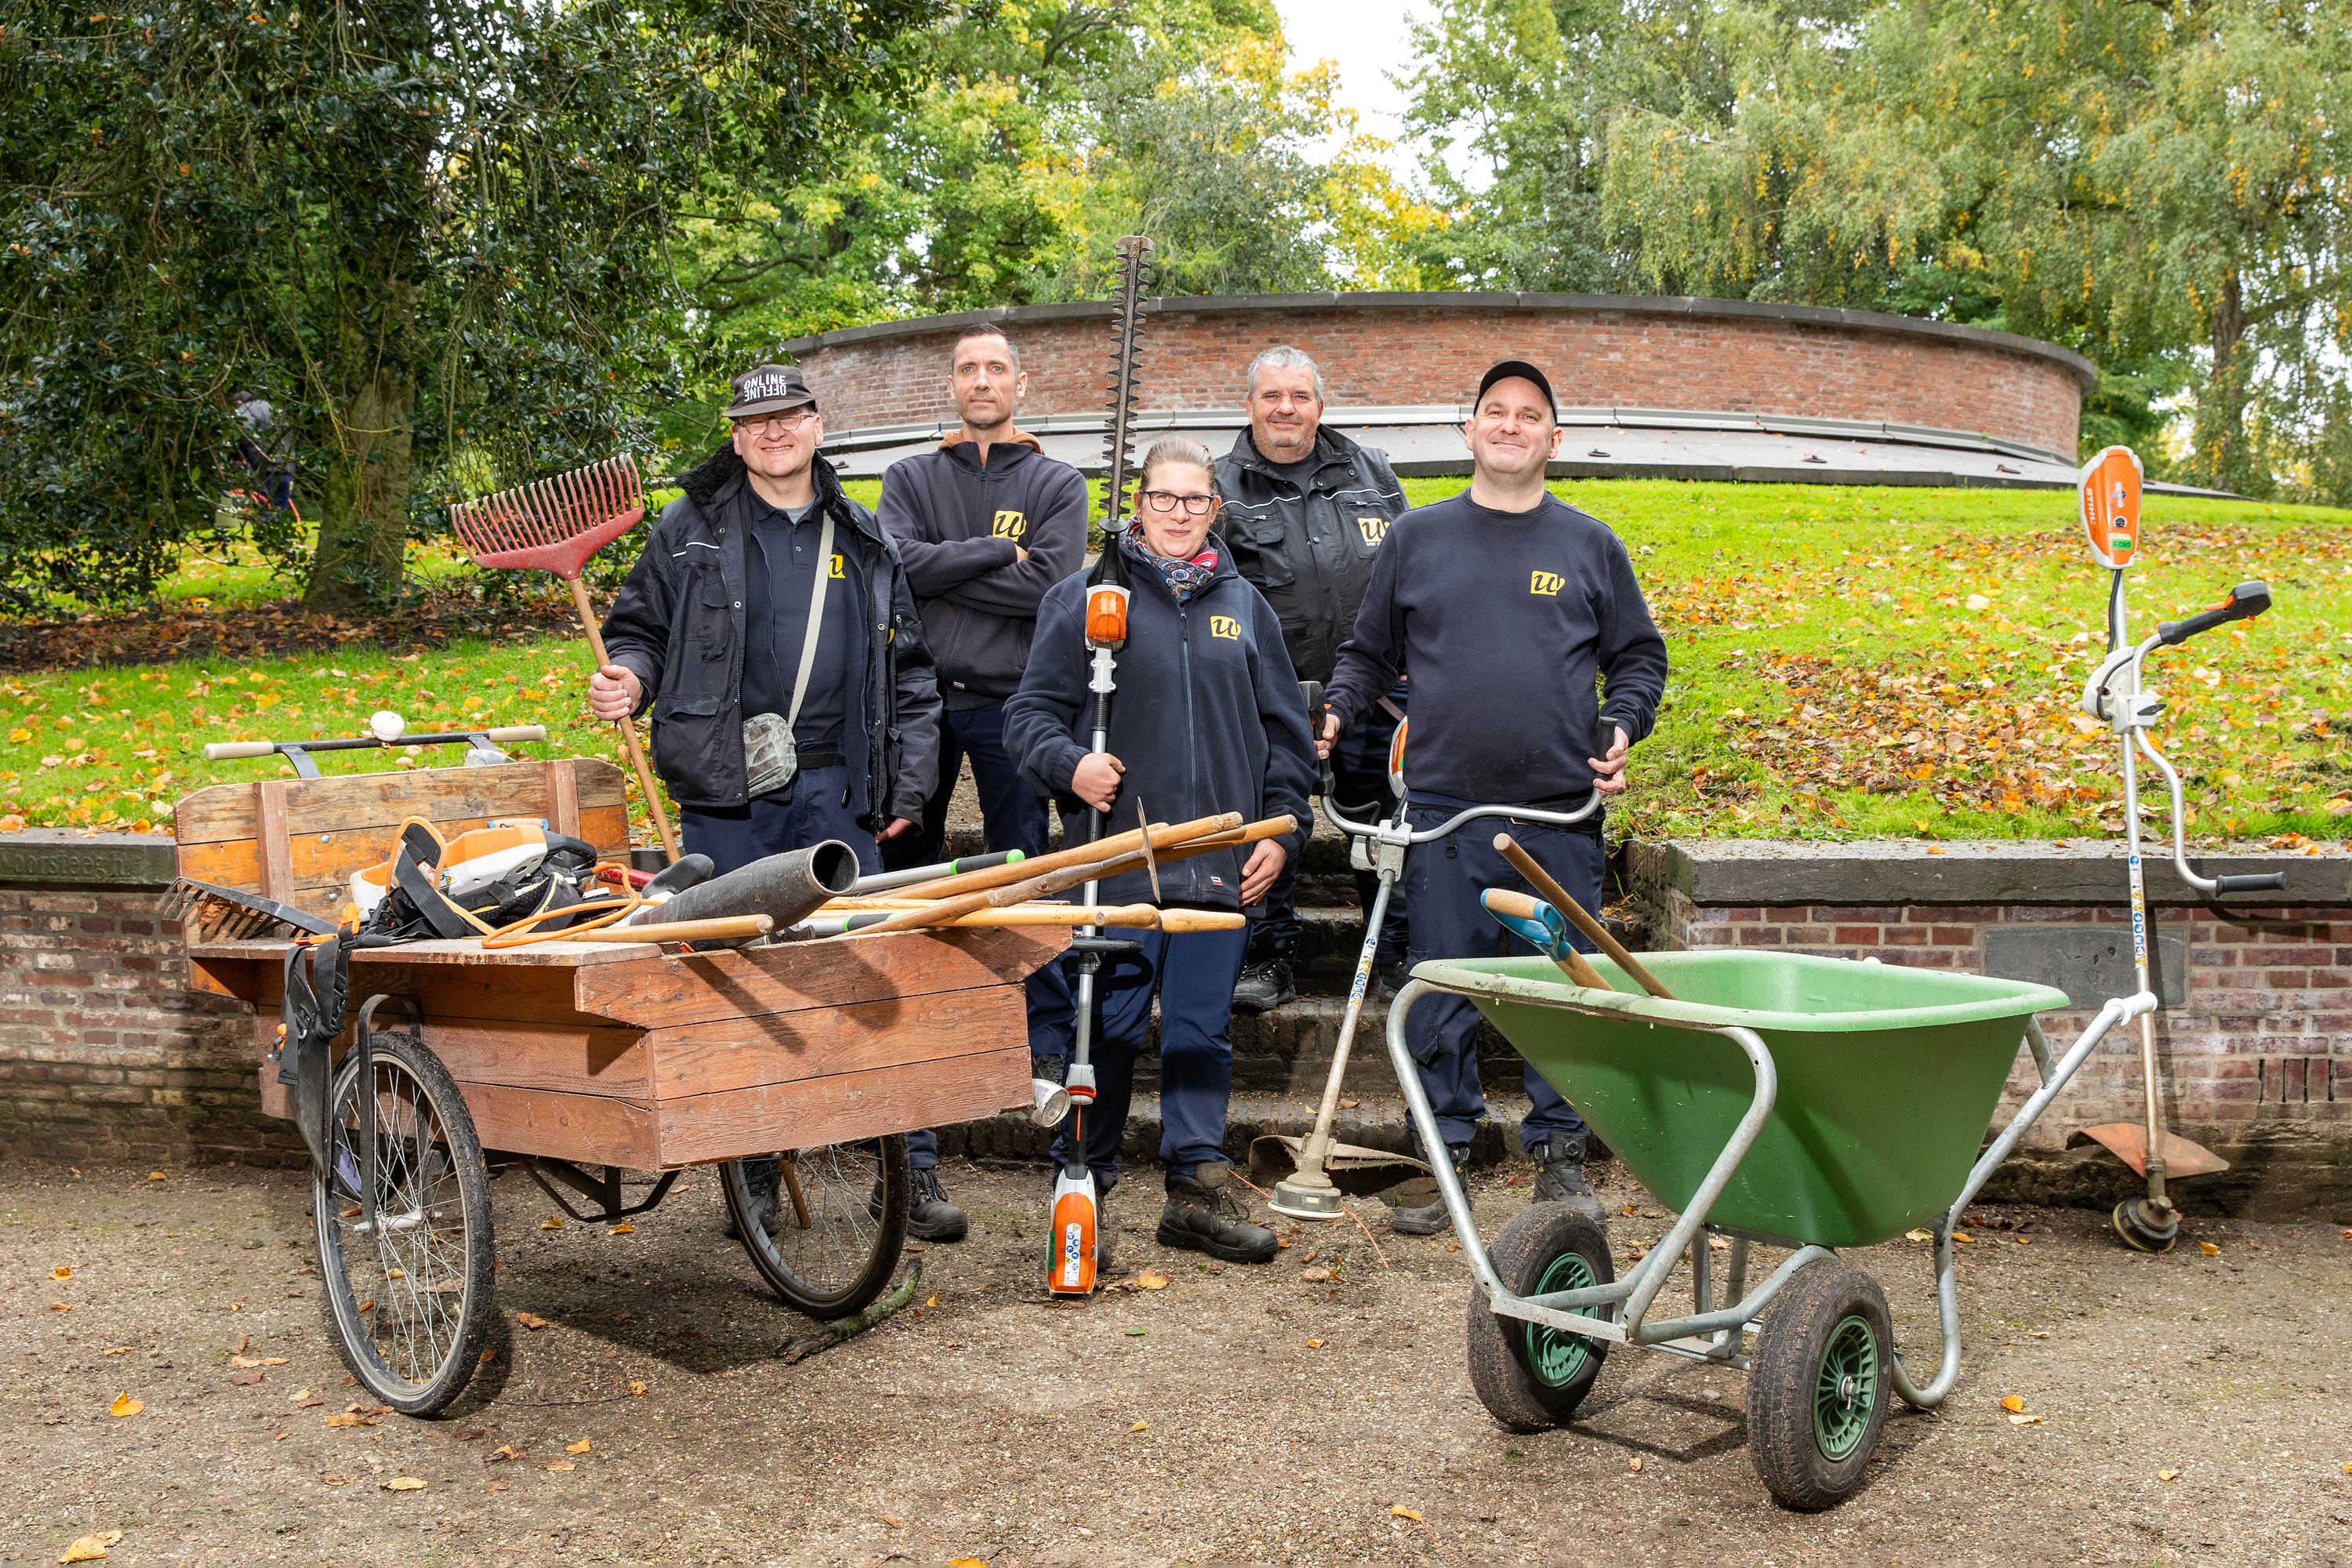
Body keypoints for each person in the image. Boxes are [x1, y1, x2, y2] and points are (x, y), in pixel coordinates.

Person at [590, 361, 951, 1240]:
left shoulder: (865, 537)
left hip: (838, 792)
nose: (773, 433)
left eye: (788, 417)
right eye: (755, 423)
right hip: (727, 794)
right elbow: (638, 628)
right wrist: (629, 679)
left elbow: (911, 673)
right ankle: (750, 1171)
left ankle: (913, 1172)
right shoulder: (688, 531)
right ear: (736, 434)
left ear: (818, 426)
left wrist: (908, 781)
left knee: (872, 971)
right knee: (734, 983)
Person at [1320, 359, 1668, 1234]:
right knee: (1441, 994)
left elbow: (1639, 657)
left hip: (1558, 816)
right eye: (1495, 412)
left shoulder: (1591, 545)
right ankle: (1443, 1154)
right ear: (1468, 430)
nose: (1510, 425)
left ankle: (1559, 1153)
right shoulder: (1417, 539)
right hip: (1444, 814)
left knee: (1563, 990)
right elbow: (1367, 653)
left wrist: (1624, 723)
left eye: (1529, 414)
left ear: (1555, 438)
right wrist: (1336, 710)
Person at [1004, 437, 1316, 1265]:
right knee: (1099, 1031)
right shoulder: (1085, 598)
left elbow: (1287, 741)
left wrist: (1283, 830)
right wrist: (1071, 764)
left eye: (1195, 499)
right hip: (1114, 864)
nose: (1179, 513)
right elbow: (1027, 715)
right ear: (1138, 503)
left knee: (1200, 1034)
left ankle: (1193, 1190)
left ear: (1214, 508)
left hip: (1219, 863)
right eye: (1164, 497)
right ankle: (1086, 1181)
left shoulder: (1245, 606)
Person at [878, 327, 1087, 1165]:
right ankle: (914, 1027)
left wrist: (946, 565)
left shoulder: (1056, 480)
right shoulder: (909, 475)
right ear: (953, 385)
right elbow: (895, 567)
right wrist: (1000, 549)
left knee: (1021, 869)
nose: (981, 379)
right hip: (919, 701)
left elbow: (1053, 586)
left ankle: (1040, 1037)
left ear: (1021, 383)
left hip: (1012, 702)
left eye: (996, 367)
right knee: (911, 872)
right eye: (967, 368)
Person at [1213, 345, 1410, 1011]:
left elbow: (1411, 574)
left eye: (1299, 396)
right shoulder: (1217, 488)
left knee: (1386, 831)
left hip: (1376, 696)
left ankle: (1398, 957)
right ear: (1249, 407)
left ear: (1320, 406)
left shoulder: (1373, 473)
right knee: (1268, 830)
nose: (1286, 408)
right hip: (1266, 700)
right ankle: (1269, 957)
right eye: (1272, 396)